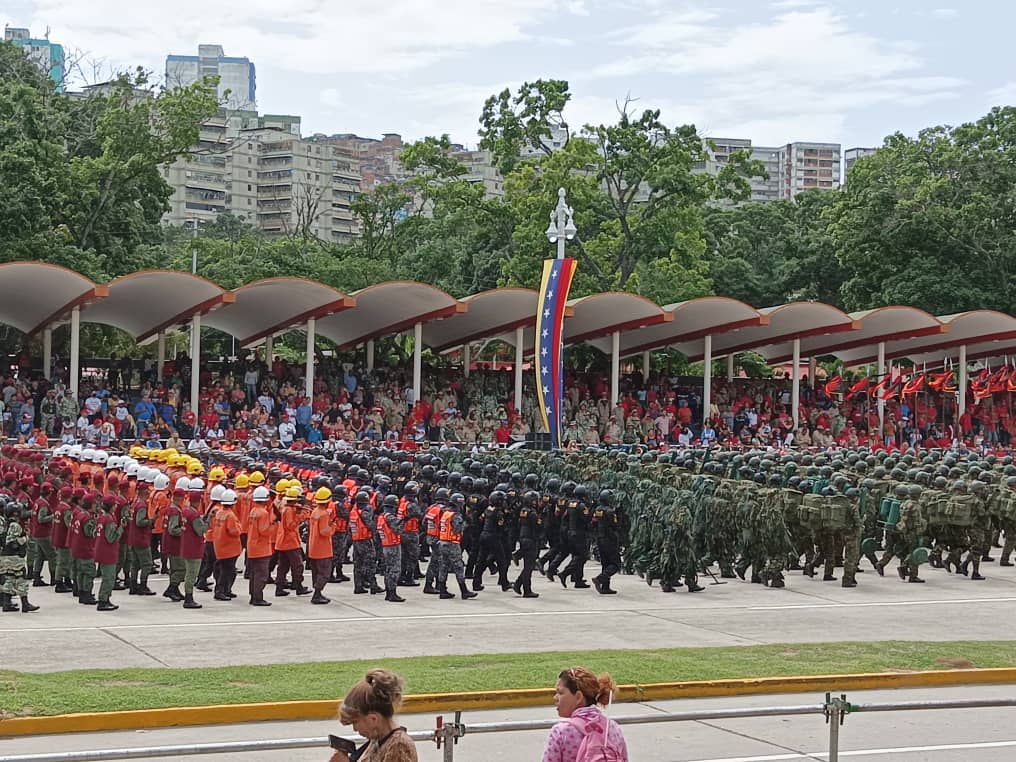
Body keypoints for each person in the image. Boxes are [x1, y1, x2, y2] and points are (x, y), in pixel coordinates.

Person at [543, 667, 628, 762]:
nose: (555, 697)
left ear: (578, 697)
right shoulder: (613, 728)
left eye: (560, 692)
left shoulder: (561, 732)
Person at [332, 669, 417, 762]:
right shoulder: (377, 740)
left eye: (355, 722)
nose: (355, 729)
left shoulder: (399, 746)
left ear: (373, 719)